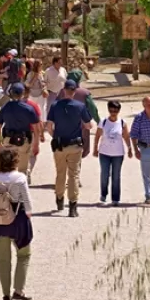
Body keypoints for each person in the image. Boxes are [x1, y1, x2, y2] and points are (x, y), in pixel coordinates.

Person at [0, 147, 34, 300]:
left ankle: (5, 294)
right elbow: (26, 200)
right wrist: (29, 214)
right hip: (17, 220)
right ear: (15, 160)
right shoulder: (20, 178)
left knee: (3, 259)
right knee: (24, 254)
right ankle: (18, 290)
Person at [45, 79, 93, 217]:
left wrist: (55, 136)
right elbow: (89, 125)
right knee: (73, 175)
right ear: (74, 91)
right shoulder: (80, 106)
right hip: (75, 145)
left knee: (60, 174)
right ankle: (73, 207)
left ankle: (59, 199)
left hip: (59, 145)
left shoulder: (55, 106)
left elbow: (49, 126)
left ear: (64, 90)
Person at [0, 83, 42, 176]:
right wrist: (36, 143)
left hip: (9, 140)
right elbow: (37, 129)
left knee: (9, 167)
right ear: (23, 93)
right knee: (22, 169)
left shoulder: (5, 107)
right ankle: (22, 186)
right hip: (24, 140)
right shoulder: (29, 109)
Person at [95, 100, 133, 206]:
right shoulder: (103, 122)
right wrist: (95, 148)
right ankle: (103, 194)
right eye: (111, 110)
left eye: (115, 110)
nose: (113, 112)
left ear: (118, 111)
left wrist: (129, 148)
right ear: (108, 110)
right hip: (104, 153)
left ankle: (115, 198)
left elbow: (126, 136)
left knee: (116, 176)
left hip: (118, 154)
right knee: (104, 174)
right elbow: (98, 136)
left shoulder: (122, 122)